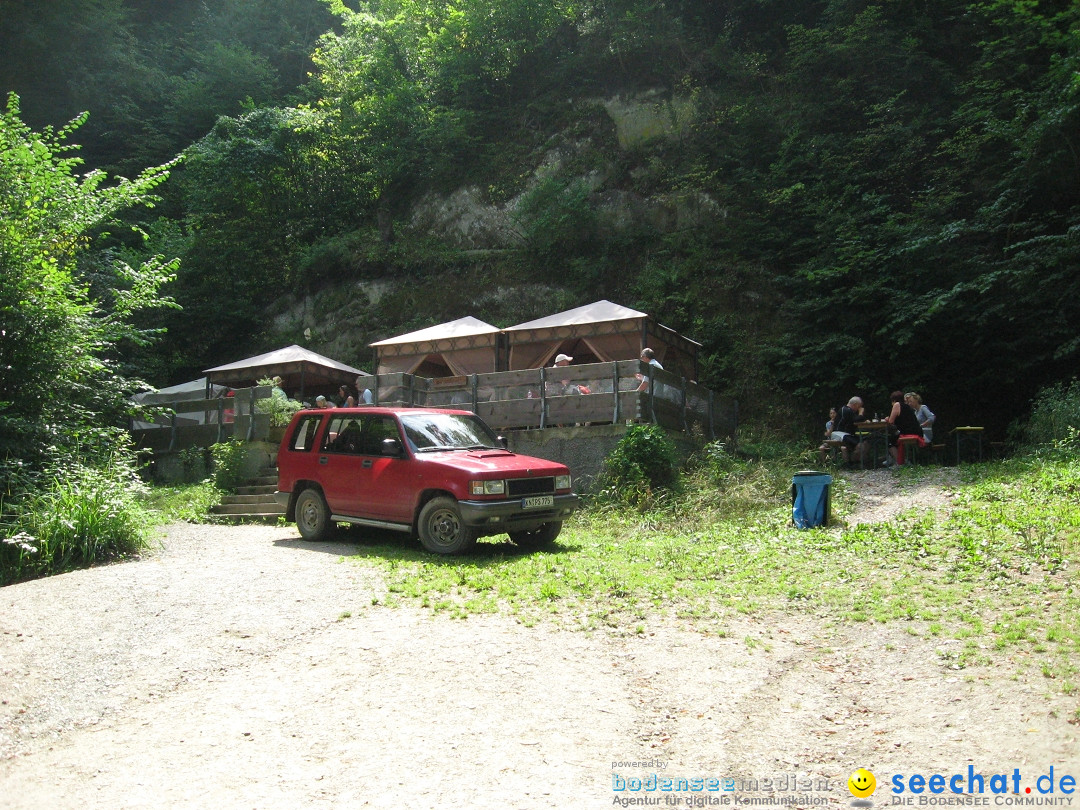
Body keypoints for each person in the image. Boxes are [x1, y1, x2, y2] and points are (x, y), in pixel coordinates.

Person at [884, 390, 925, 466]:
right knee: (894, 438)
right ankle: (902, 460)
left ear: (893, 400)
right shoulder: (906, 406)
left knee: (890, 442)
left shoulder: (897, 405)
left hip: (908, 432)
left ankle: (900, 462)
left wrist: (887, 419)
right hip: (917, 431)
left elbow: (891, 422)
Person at [828, 396, 869, 465]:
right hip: (840, 433)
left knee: (865, 442)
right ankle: (852, 462)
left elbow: (854, 420)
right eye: (859, 406)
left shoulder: (849, 411)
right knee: (860, 444)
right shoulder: (846, 410)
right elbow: (856, 420)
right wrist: (861, 413)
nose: (859, 408)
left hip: (847, 434)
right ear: (855, 404)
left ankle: (857, 461)